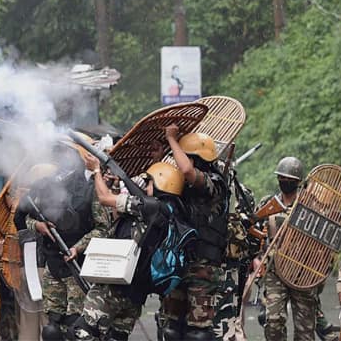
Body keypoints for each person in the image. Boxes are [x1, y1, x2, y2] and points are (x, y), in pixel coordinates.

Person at [73, 156, 186, 341]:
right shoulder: (170, 212)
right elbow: (119, 214)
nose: (145, 186)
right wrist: (117, 185)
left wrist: (96, 171)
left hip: (114, 287)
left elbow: (104, 198)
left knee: (82, 333)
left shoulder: (149, 206)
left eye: (149, 182)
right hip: (136, 292)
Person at [19, 135, 102, 339]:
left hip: (79, 267)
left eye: (66, 154)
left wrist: (78, 247)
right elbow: (23, 218)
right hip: (52, 265)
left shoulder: (91, 189)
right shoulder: (46, 187)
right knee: (51, 328)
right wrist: (38, 225)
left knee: (76, 327)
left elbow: (102, 228)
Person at [161, 126, 229, 340]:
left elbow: (189, 172)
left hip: (203, 265)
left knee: (197, 332)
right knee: (172, 328)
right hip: (180, 260)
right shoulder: (182, 186)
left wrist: (172, 140)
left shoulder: (215, 183)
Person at [256, 157, 317, 341]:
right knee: (273, 322)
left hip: (303, 273)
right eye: (281, 178)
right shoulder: (269, 203)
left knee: (305, 330)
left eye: (289, 179)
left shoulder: (310, 205)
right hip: (276, 271)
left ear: (298, 182)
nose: (285, 182)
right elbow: (256, 233)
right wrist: (257, 259)